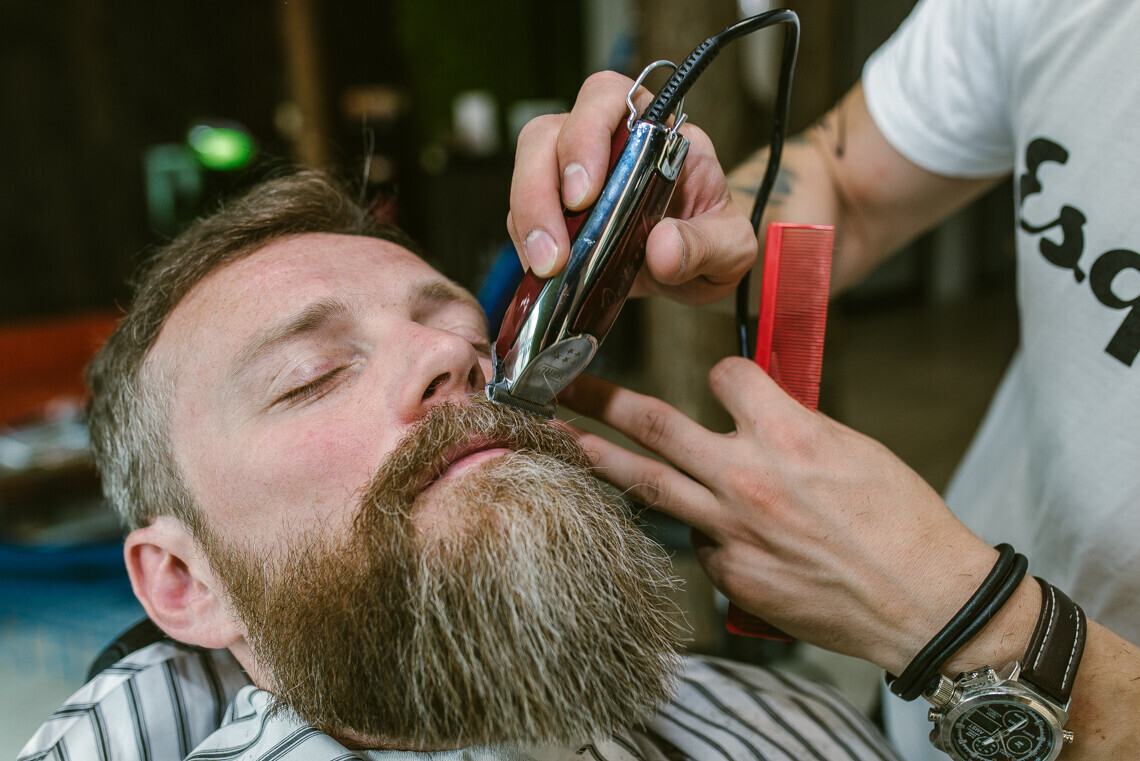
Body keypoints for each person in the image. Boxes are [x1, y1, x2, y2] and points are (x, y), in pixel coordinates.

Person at [18, 171, 900, 761]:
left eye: (472, 337)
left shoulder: (800, 726)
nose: (450, 358)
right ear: (184, 581)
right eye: (311, 374)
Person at [504, 1, 1140, 757]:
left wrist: (966, 619)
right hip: (916, 706)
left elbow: (951, 622)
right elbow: (848, 183)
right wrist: (684, 220)